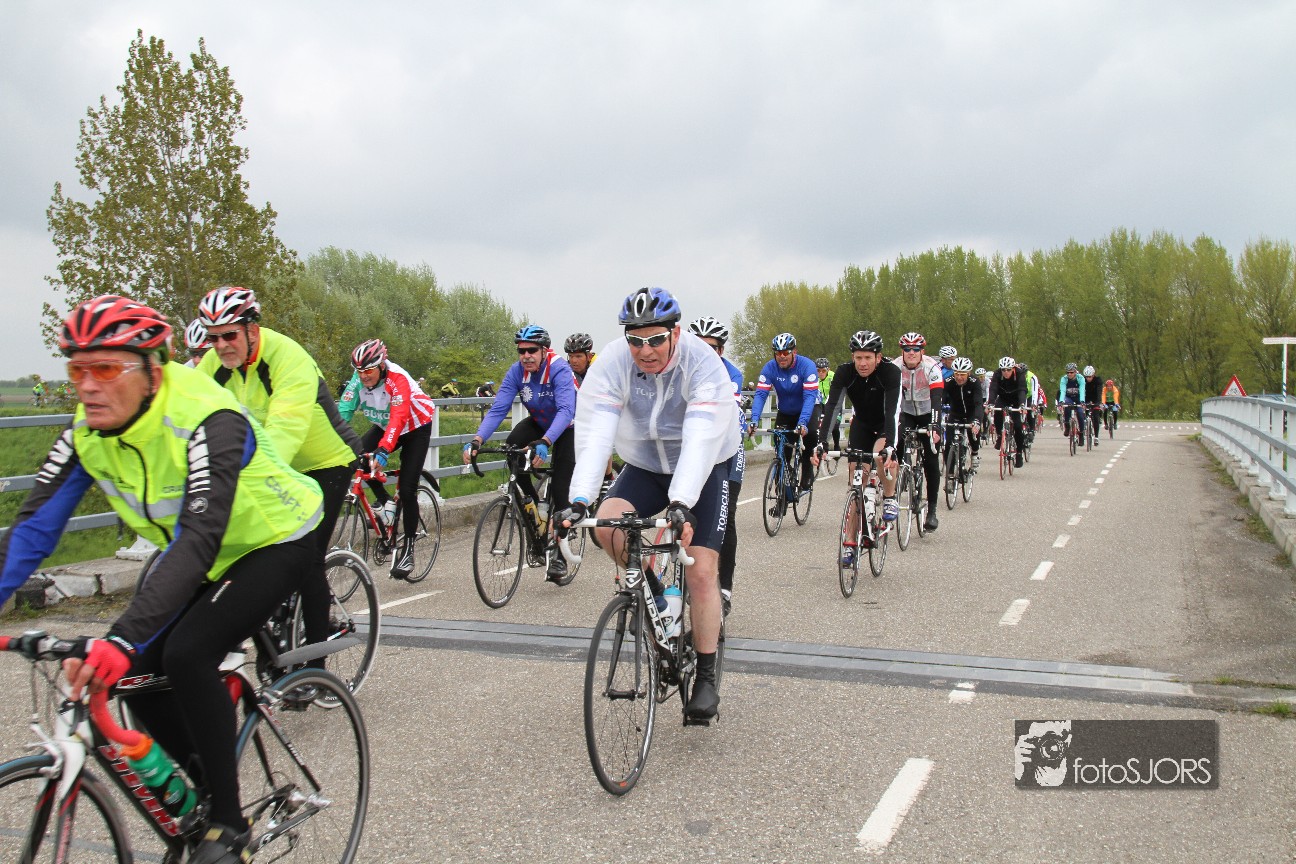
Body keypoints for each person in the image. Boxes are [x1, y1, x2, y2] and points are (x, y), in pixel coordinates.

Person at [0, 295, 322, 864]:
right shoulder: (86, 431)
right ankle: (202, 789)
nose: (88, 386)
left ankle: (229, 826)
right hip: (204, 552)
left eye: (105, 368)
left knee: (188, 653)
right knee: (132, 677)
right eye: (77, 370)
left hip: (276, 538)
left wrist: (122, 638)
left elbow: (198, 536)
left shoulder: (207, 416)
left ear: (153, 368)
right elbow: (32, 530)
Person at [559, 288, 738, 722]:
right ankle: (655, 589)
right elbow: (596, 430)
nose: (645, 351)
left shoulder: (702, 363)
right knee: (607, 525)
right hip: (644, 462)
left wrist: (681, 502)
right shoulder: (613, 362)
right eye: (635, 341)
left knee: (701, 569)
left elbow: (700, 438)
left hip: (706, 463)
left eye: (656, 339)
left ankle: (706, 675)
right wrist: (580, 499)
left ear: (675, 333)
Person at [195, 286, 363, 650]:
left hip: (327, 461)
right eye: (212, 338)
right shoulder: (214, 365)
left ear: (252, 330)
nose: (220, 346)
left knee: (306, 556)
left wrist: (238, 485)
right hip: (275, 463)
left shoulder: (288, 358)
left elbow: (283, 432)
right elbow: (189, 418)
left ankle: (316, 661)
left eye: (229, 335)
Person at [463, 325, 577, 582]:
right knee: (513, 445)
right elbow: (498, 409)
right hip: (540, 421)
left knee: (561, 485)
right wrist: (477, 440)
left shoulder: (559, 369)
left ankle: (559, 555)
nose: (526, 356)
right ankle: (535, 507)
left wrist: (545, 441)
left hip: (569, 426)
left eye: (531, 350)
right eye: (521, 351)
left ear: (544, 350)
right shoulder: (517, 372)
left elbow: (566, 411)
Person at [337, 339, 436, 579]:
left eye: (369, 370)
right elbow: (343, 412)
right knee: (359, 458)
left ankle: (408, 549)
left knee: (408, 488)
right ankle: (384, 502)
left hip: (415, 426)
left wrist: (383, 450)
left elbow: (398, 418)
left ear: (382, 366)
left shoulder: (397, 378)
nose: (364, 376)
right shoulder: (358, 379)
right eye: (359, 371)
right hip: (384, 425)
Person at [812, 330, 902, 566]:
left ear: (878, 358)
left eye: (868, 358)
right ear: (853, 357)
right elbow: (832, 407)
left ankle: (890, 497)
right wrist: (821, 442)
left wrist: (891, 446)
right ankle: (851, 544)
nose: (862, 363)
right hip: (861, 424)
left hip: (885, 424)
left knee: (882, 457)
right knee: (855, 484)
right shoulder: (845, 372)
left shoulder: (891, 372)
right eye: (858, 357)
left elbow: (893, 411)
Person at [689, 315, 746, 616]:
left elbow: (719, 415)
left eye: (710, 347)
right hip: (696, 448)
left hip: (728, 449)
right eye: (697, 346)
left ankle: (724, 588)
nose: (703, 353)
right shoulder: (680, 370)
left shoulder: (732, 375)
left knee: (727, 517)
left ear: (720, 351)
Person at [748, 332, 820, 516]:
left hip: (807, 409)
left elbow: (809, 397)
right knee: (781, 455)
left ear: (794, 352)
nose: (781, 357)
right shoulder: (770, 368)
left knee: (810, 433)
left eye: (785, 353)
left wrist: (803, 422)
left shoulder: (807, 366)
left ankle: (807, 469)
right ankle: (782, 499)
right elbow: (761, 394)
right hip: (785, 412)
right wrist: (754, 419)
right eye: (778, 353)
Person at [892, 332, 944, 532]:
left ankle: (932, 511)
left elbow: (937, 399)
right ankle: (898, 480)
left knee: (931, 459)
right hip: (906, 412)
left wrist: (935, 426)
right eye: (907, 349)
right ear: (902, 351)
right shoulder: (895, 367)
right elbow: (891, 398)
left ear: (922, 351)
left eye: (916, 349)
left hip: (928, 413)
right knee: (896, 442)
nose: (911, 352)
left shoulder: (932, 367)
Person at [942, 356, 984, 472]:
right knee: (948, 443)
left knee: (973, 431)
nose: (959, 377)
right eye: (957, 374)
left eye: (962, 374)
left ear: (968, 373)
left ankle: (974, 452)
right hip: (956, 413)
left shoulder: (974, 382)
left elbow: (978, 404)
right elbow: (941, 398)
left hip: (971, 413)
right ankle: (950, 473)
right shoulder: (948, 381)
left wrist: (977, 420)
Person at [987, 356, 1027, 467]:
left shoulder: (1019, 373)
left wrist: (1022, 404)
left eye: (1008, 370)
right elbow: (993, 388)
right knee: (997, 414)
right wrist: (991, 403)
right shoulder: (997, 374)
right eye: (1003, 370)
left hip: (1016, 400)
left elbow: (1022, 390)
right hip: (1003, 398)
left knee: (1018, 426)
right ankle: (1000, 435)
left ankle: (1019, 453)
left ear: (1013, 368)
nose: (1006, 372)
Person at [816, 357, 842, 453]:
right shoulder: (814, 378)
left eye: (823, 370)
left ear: (828, 370)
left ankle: (837, 445)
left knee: (834, 425)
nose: (821, 373)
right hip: (821, 404)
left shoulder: (832, 377)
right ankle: (821, 445)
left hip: (833, 403)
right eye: (818, 371)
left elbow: (836, 392)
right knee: (819, 425)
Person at [1057, 362, 1086, 440]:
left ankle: (1081, 434)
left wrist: (1082, 401)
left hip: (1078, 397)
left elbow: (1082, 390)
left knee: (1080, 414)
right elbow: (1063, 391)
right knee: (1067, 407)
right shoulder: (1064, 379)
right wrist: (1061, 401)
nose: (1069, 374)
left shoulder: (1080, 378)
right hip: (1068, 397)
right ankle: (1067, 426)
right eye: (1068, 372)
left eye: (1071, 372)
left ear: (1075, 372)